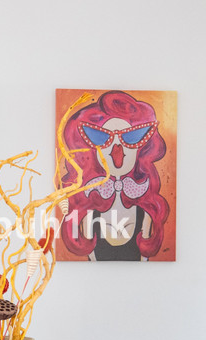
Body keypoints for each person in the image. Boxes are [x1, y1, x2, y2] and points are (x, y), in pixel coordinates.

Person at [58, 91, 170, 261]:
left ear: (142, 148)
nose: (117, 149)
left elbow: (145, 258)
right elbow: (91, 258)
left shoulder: (147, 210)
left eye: (131, 137)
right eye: (100, 138)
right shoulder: (89, 210)